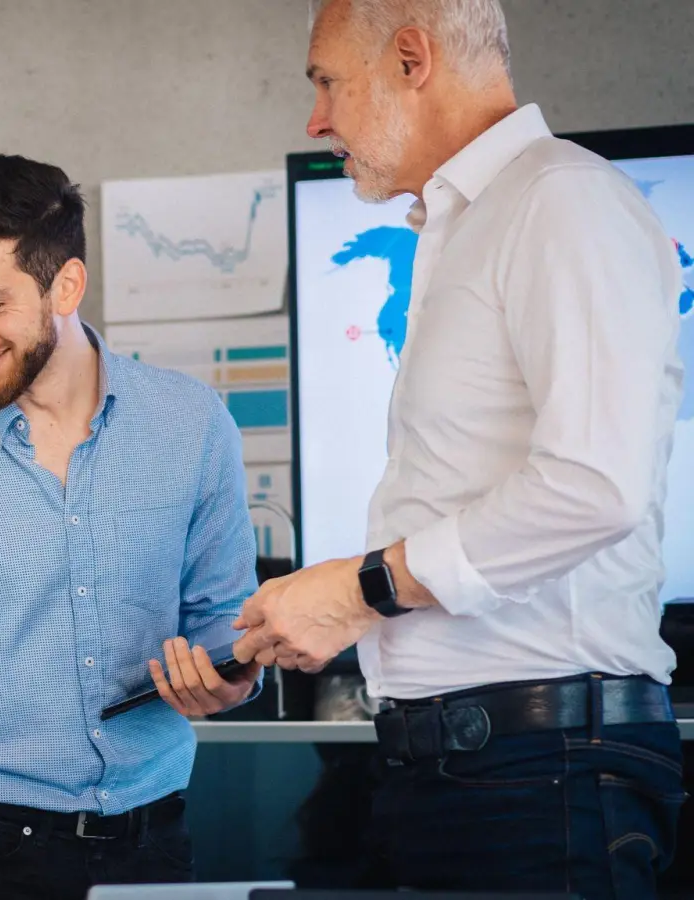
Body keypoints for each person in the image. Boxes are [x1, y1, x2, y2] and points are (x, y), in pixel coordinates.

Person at [234, 0, 687, 895]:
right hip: (468, 770)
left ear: (412, 57)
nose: (315, 118)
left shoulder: (562, 199)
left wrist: (361, 589)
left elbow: (596, 486)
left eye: (326, 81)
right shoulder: (468, 225)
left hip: (539, 773)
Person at [0, 153, 263, 900]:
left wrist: (230, 679)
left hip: (153, 841)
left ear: (66, 284)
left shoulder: (193, 426)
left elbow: (223, 623)